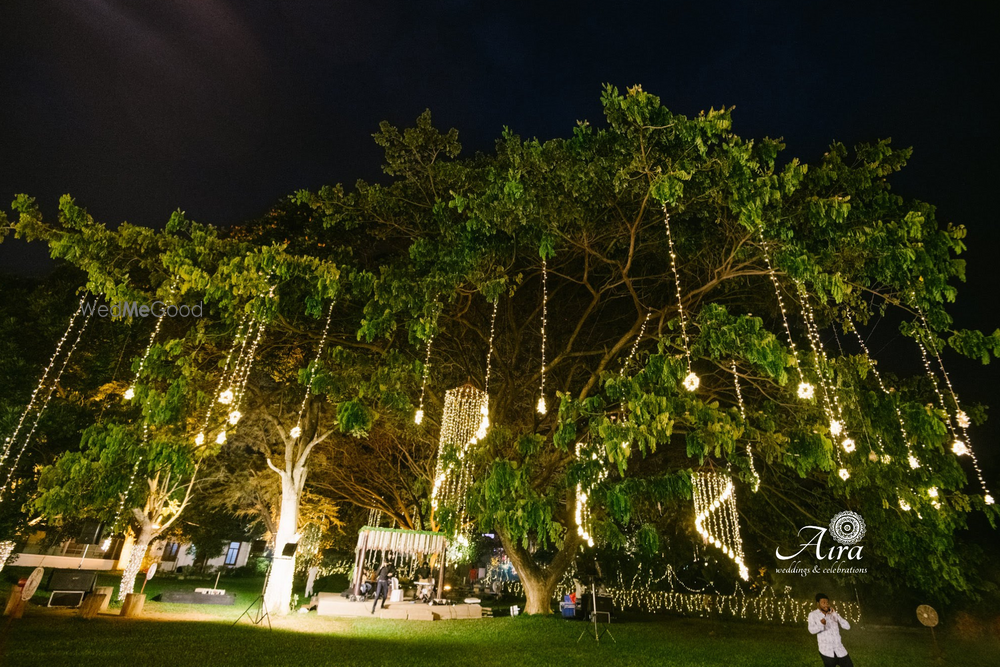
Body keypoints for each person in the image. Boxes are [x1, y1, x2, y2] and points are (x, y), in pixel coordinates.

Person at [808, 593, 854, 666]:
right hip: (826, 650)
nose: (826, 605)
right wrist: (821, 624)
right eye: (823, 603)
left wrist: (835, 615)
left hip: (840, 649)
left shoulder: (833, 614)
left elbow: (847, 626)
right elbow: (811, 630)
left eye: (827, 603)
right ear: (817, 603)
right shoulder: (813, 615)